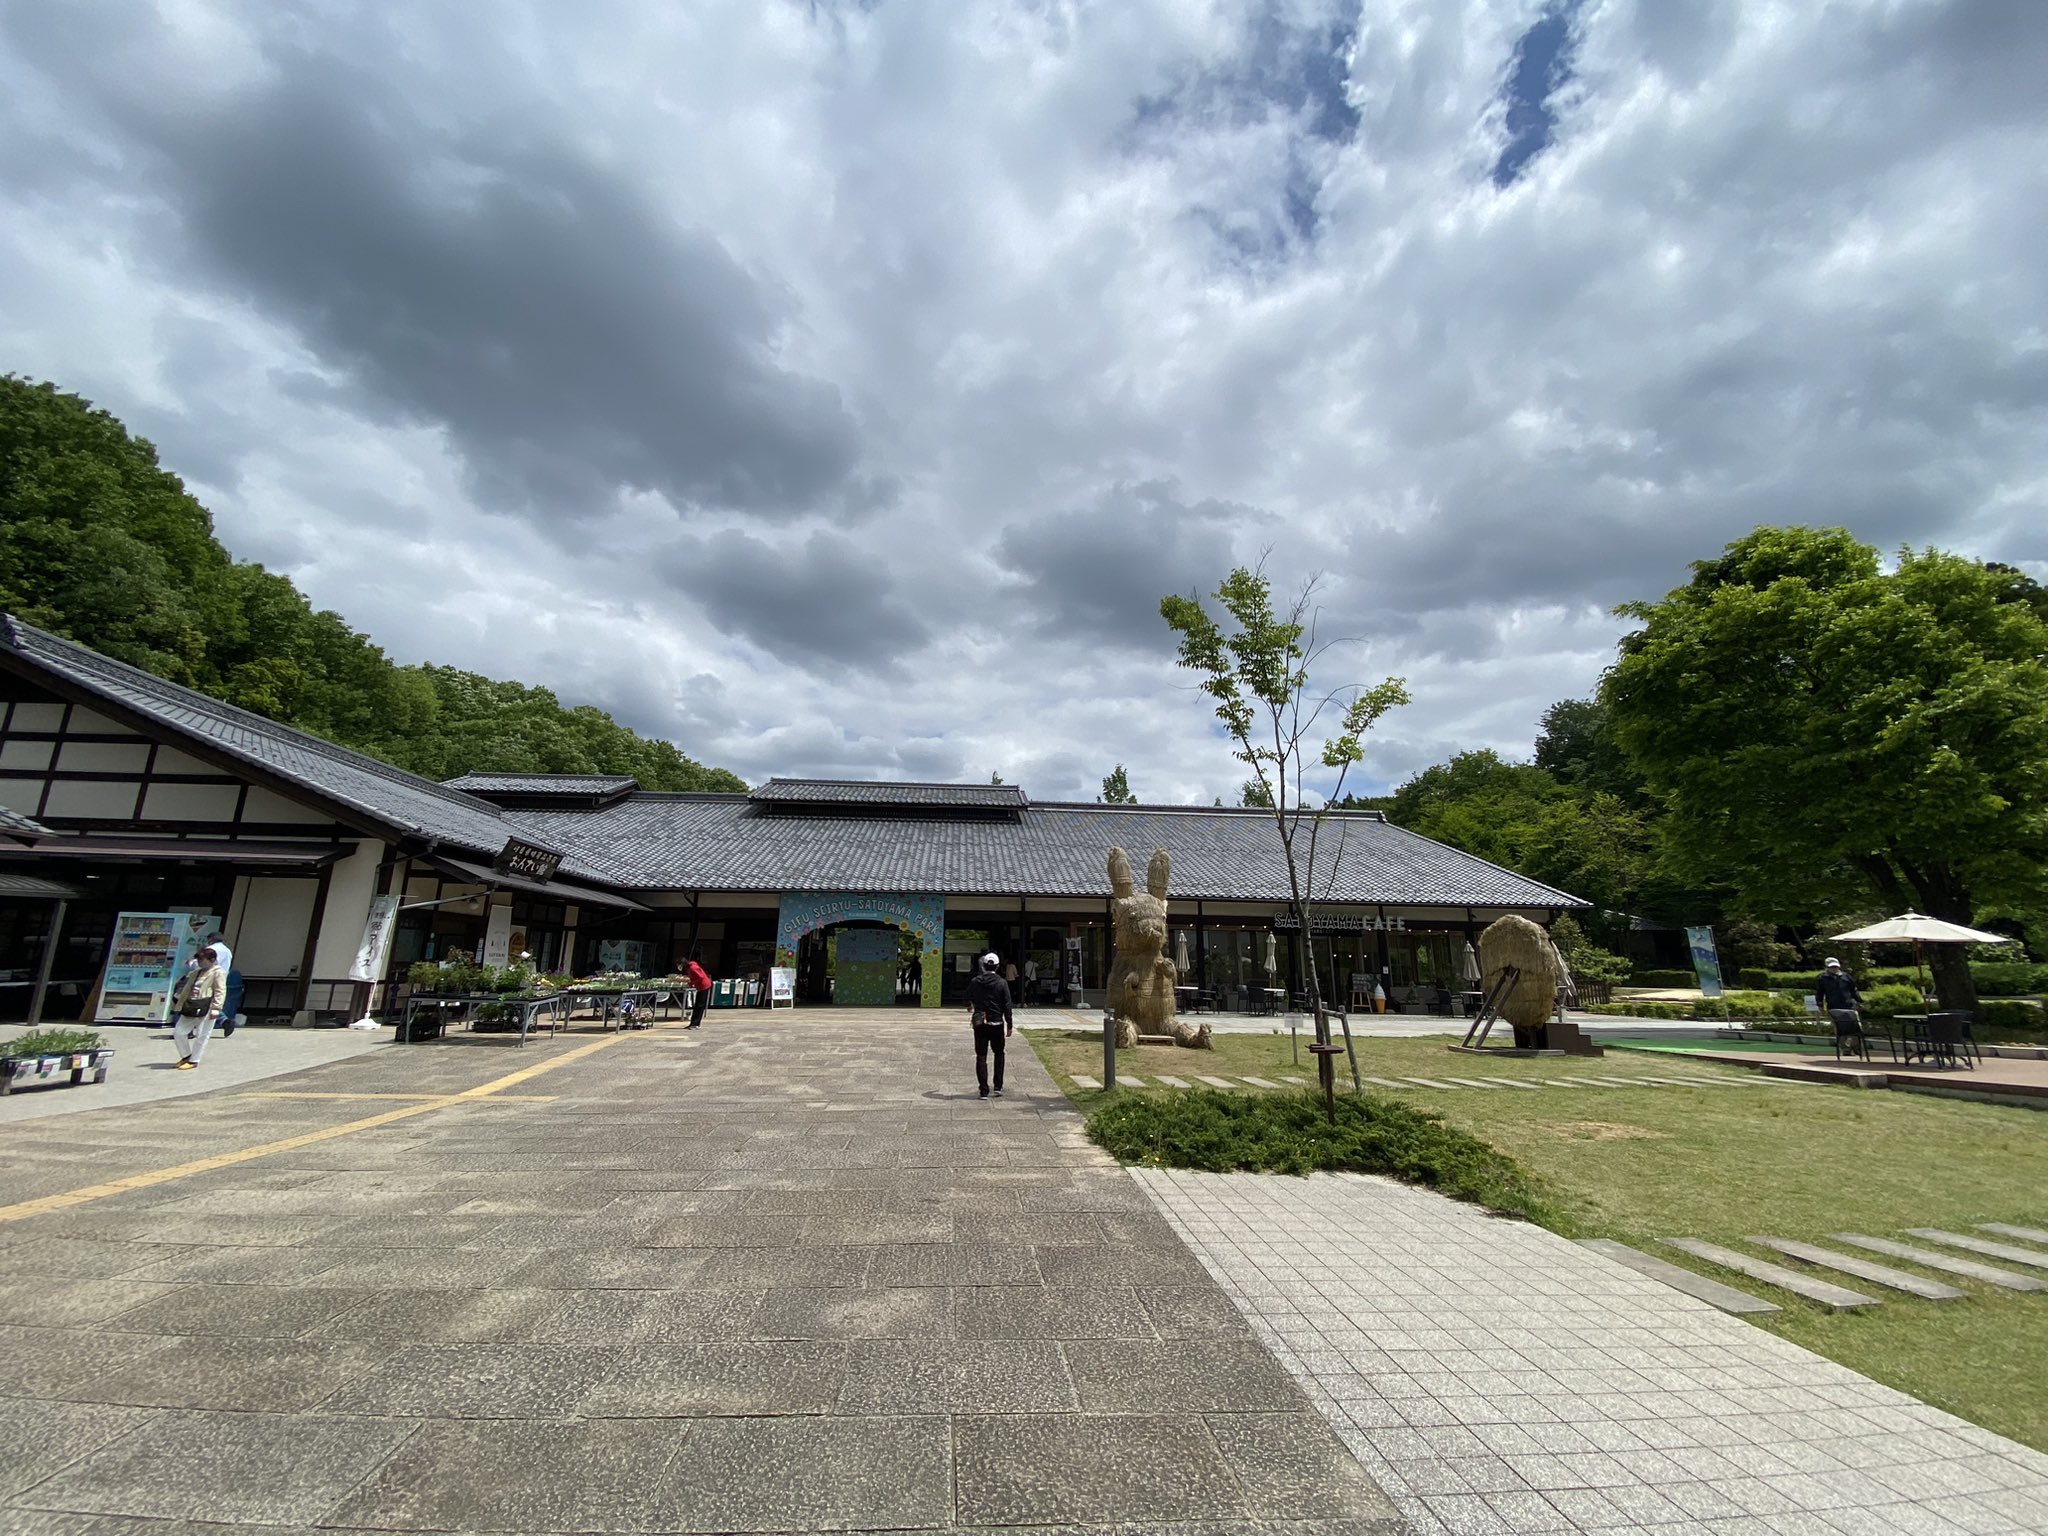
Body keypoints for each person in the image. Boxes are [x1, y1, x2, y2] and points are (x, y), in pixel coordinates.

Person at [172, 945, 227, 1069]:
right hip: (191, 1005)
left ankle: (194, 1060)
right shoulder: (196, 973)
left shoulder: (218, 972)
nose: (200, 963)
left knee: (202, 1034)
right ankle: (186, 1056)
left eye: (202, 960)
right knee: (179, 1032)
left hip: (207, 1005)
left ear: (212, 960)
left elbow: (220, 991)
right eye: (199, 960)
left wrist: (216, 1008)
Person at [966, 954, 1013, 1099]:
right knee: (999, 1053)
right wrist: (1009, 1024)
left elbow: (966, 998)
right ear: (998, 967)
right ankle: (997, 1086)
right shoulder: (1002, 983)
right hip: (997, 1022)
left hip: (980, 1023)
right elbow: (1007, 1005)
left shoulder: (975, 981)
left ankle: (983, 1090)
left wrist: (970, 1006)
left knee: (981, 1055)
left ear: (984, 966)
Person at [1815, 956, 1864, 1048]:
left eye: (1836, 967)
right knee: (1839, 1028)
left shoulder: (1846, 976)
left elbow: (1853, 990)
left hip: (1849, 1005)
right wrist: (1820, 1006)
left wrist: (1859, 1001)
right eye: (1831, 967)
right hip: (1833, 1006)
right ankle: (1844, 1048)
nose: (1834, 969)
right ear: (1827, 967)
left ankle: (1855, 1046)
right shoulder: (1822, 978)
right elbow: (1819, 993)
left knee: (1856, 1027)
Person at [684, 951, 712, 1029]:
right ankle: (693, 1023)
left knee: (700, 1005)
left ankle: (696, 1023)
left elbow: (700, 977)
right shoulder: (690, 967)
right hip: (700, 986)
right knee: (697, 1005)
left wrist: (692, 983)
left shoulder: (693, 967)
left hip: (704, 986)